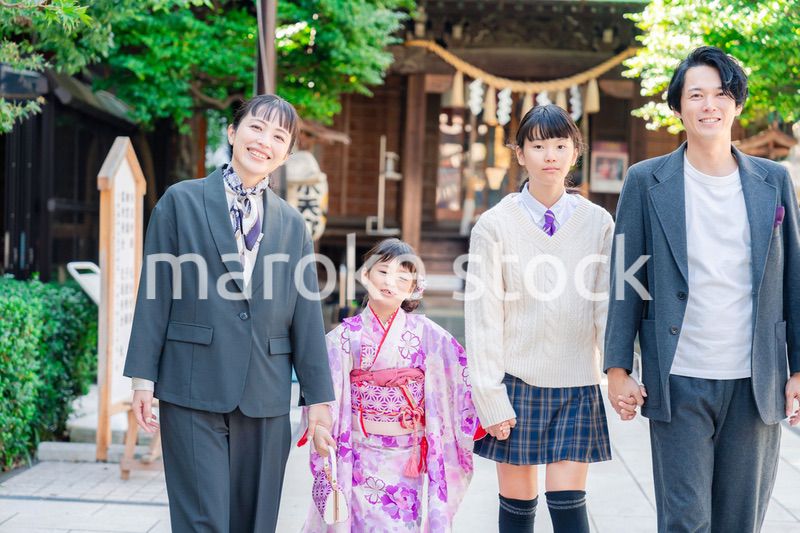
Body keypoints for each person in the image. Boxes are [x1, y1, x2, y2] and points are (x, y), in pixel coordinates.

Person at [604, 46, 800, 533]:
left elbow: (794, 277)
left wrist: (799, 367)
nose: (709, 104)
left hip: (756, 381)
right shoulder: (646, 181)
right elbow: (625, 279)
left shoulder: (773, 181)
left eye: (721, 93)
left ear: (736, 104)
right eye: (696, 94)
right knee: (684, 521)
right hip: (678, 376)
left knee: (740, 520)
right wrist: (617, 368)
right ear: (678, 107)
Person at [123, 94, 335, 533]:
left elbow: (306, 318)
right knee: (202, 521)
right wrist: (143, 378)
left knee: (255, 522)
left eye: (279, 136)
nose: (265, 141)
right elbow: (154, 293)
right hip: (190, 384)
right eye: (256, 128)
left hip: (266, 390)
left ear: (287, 152)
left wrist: (318, 399)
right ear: (233, 132)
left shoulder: (293, 226)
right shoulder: (180, 202)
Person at [465, 104, 615, 533]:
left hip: (577, 382)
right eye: (538, 145)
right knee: (517, 513)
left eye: (560, 145)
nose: (549, 154)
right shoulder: (493, 225)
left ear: (575, 152)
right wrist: (488, 395)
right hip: (515, 383)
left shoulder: (597, 222)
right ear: (520, 154)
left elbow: (606, 306)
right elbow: (483, 316)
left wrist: (618, 371)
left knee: (570, 511)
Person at [301, 238, 479, 532]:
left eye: (402, 276)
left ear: (413, 288)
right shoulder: (344, 338)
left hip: (406, 458)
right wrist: (320, 427)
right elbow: (323, 388)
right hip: (357, 455)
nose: (390, 282)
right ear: (365, 275)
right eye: (382, 271)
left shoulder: (429, 335)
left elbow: (460, 379)